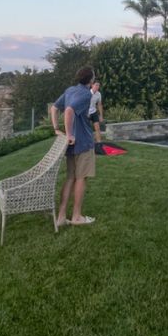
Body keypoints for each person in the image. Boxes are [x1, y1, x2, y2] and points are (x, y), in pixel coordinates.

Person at [50, 66, 97, 226]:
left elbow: (54, 108)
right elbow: (69, 111)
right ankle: (77, 217)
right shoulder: (85, 94)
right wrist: (69, 134)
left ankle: (62, 216)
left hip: (71, 146)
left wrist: (57, 129)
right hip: (82, 143)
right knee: (80, 179)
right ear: (90, 80)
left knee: (70, 178)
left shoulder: (70, 90)